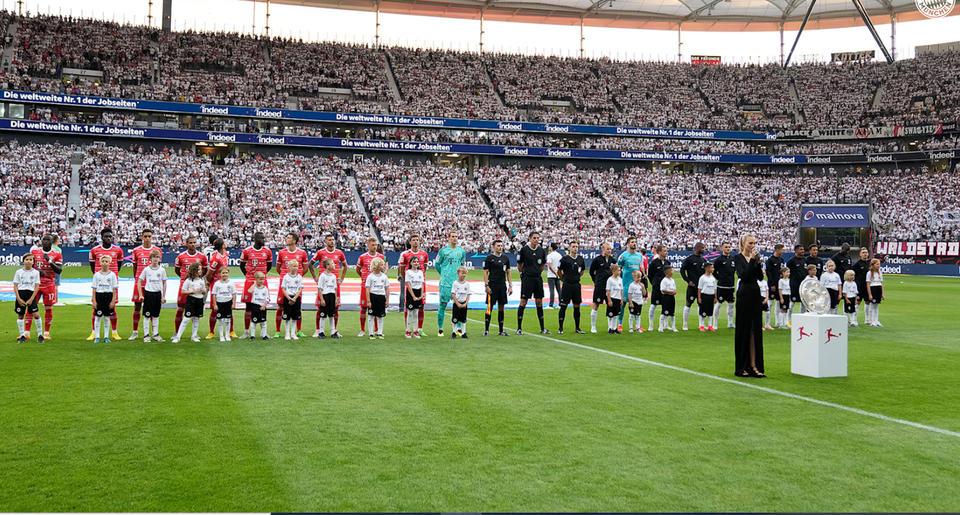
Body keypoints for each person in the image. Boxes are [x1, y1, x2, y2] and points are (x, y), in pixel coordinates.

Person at [734, 233, 765, 378]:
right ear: (743, 243)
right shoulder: (738, 258)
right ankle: (742, 366)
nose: (753, 246)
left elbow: (759, 277)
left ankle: (754, 365)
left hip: (755, 292)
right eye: (750, 243)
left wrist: (757, 264)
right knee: (744, 329)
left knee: (755, 330)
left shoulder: (755, 258)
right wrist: (752, 260)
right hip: (744, 293)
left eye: (754, 243)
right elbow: (744, 276)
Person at [87, 228, 124, 341]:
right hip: (99, 284)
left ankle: (114, 332)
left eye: (110, 237)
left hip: (111, 284)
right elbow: (93, 267)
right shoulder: (95, 250)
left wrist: (111, 276)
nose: (108, 238)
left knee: (112, 307)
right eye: (106, 236)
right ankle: (94, 332)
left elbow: (119, 265)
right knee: (96, 307)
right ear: (101, 237)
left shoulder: (118, 250)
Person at [276, 233, 314, 338]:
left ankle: (298, 330)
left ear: (294, 241)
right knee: (281, 306)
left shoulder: (302, 253)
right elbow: (278, 268)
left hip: (296, 284)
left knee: (297, 306)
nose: (286, 239)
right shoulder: (281, 253)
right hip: (284, 283)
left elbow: (305, 268)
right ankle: (278, 331)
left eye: (288, 238)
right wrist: (286, 278)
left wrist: (297, 278)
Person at [239, 232, 273, 339]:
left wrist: (261, 277)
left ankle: (263, 332)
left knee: (262, 306)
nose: (263, 240)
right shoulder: (247, 251)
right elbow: (242, 265)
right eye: (261, 238)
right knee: (248, 307)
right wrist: (249, 276)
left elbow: (269, 266)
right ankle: (246, 331)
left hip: (263, 282)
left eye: (264, 238)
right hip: (250, 281)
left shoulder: (267, 251)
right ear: (255, 239)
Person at [130, 229, 161, 340]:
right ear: (142, 237)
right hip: (140, 284)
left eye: (149, 236)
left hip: (152, 285)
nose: (147, 238)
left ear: (152, 237)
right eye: (145, 236)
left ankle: (154, 333)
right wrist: (137, 279)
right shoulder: (136, 250)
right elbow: (134, 267)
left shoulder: (157, 250)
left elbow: (159, 268)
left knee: (153, 309)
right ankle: (135, 332)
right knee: (137, 307)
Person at [31, 234, 62, 342]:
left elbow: (59, 270)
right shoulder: (35, 252)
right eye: (44, 240)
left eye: (48, 240)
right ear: (42, 241)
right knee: (30, 307)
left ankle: (46, 333)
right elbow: (28, 265)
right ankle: (26, 333)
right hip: (35, 284)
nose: (46, 242)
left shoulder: (56, 254)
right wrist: (37, 271)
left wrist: (49, 261)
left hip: (49, 284)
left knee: (48, 308)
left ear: (51, 241)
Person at [516, 231, 548, 335]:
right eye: (534, 238)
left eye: (537, 238)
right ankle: (519, 328)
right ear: (530, 239)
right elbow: (519, 264)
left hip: (537, 279)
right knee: (523, 302)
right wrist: (523, 273)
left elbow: (543, 265)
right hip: (527, 278)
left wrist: (537, 272)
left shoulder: (541, 251)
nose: (536, 240)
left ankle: (542, 328)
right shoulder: (524, 250)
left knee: (539, 302)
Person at [175, 236, 209, 336]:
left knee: (195, 311)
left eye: (194, 242)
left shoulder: (202, 257)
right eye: (190, 243)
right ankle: (176, 332)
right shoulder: (181, 256)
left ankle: (194, 334)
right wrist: (185, 279)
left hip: (197, 286)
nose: (193, 244)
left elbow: (205, 270)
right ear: (186, 244)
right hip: (185, 284)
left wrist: (198, 279)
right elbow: (177, 270)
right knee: (181, 308)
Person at [436, 231, 467, 337]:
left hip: (458, 284)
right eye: (452, 237)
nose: (455, 238)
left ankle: (458, 328)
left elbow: (462, 266)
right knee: (443, 305)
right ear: (448, 238)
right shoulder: (443, 251)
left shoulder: (461, 251)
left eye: (456, 236)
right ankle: (440, 328)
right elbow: (437, 264)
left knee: (458, 305)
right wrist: (443, 275)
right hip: (445, 283)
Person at [397, 235, 428, 334]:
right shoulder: (405, 255)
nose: (415, 242)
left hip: (420, 283)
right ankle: (408, 329)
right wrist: (406, 278)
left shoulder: (424, 254)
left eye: (417, 240)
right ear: (410, 242)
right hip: (410, 284)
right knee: (409, 306)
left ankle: (420, 329)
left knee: (421, 305)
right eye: (413, 240)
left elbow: (425, 267)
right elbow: (401, 268)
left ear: (419, 242)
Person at [356, 237, 386, 337]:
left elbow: (384, 269)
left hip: (378, 287)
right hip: (366, 286)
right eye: (372, 245)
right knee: (364, 307)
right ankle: (362, 329)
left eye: (376, 245)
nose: (374, 247)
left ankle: (377, 330)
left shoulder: (381, 257)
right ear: (368, 245)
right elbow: (358, 269)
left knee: (377, 308)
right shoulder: (362, 257)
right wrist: (364, 278)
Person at [205, 238, 234, 339]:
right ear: (222, 246)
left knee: (228, 308)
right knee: (215, 308)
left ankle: (231, 331)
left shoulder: (225, 254)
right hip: (217, 284)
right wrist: (211, 282)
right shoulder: (215, 258)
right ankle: (211, 332)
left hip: (226, 283)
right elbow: (209, 274)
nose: (226, 244)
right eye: (225, 243)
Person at [483, 240, 513, 337]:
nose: (500, 247)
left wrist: (510, 285)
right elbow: (485, 272)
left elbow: (508, 272)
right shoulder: (489, 258)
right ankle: (486, 330)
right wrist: (486, 285)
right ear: (493, 247)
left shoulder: (505, 258)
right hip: (492, 285)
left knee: (501, 307)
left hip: (502, 285)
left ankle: (501, 330)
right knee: (489, 307)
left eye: (501, 245)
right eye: (498, 246)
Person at [135, 249, 166, 342]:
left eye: (157, 257)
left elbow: (164, 283)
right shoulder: (146, 269)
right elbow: (139, 281)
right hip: (148, 294)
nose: (155, 259)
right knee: (147, 315)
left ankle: (155, 334)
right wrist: (141, 294)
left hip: (157, 294)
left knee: (156, 315)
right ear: (150, 258)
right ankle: (146, 335)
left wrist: (163, 296)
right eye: (154, 257)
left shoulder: (162, 270)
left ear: (160, 259)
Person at [172, 262, 207, 343]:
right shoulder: (188, 280)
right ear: (194, 270)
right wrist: (192, 292)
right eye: (198, 269)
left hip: (199, 300)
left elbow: (204, 292)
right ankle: (178, 336)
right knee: (186, 319)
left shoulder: (201, 280)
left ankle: (194, 335)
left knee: (196, 318)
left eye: (201, 270)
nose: (200, 271)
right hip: (191, 300)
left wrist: (203, 291)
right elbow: (183, 291)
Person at [616, 236, 645, 331]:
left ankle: (637, 325)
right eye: (632, 242)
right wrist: (619, 280)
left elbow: (639, 269)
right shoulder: (623, 256)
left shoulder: (639, 256)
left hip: (636, 284)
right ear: (628, 244)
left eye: (635, 242)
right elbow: (618, 268)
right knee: (623, 304)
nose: (634, 244)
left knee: (637, 304)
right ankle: (620, 324)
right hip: (626, 284)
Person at [557, 241, 586, 335]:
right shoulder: (565, 259)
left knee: (577, 305)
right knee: (564, 305)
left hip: (576, 285)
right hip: (567, 284)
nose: (575, 248)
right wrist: (564, 279)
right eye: (573, 246)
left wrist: (576, 277)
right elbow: (559, 271)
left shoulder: (580, 259)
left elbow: (582, 271)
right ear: (569, 248)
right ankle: (560, 327)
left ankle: (577, 327)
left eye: (577, 246)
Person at [13, 253, 41, 344]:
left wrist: (32, 298)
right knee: (21, 315)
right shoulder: (18, 272)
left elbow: (37, 286)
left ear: (33, 262)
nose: (28, 262)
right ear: (23, 261)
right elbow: (15, 286)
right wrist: (19, 298)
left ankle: (40, 335)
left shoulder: (36, 272)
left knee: (36, 314)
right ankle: (22, 335)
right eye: (26, 260)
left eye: (30, 260)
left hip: (31, 294)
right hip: (21, 294)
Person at [91, 255, 119, 343]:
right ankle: (97, 337)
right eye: (103, 261)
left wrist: (113, 300)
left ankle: (106, 336)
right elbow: (94, 288)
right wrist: (94, 301)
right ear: (100, 263)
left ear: (110, 263)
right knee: (98, 317)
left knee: (107, 318)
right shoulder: (97, 275)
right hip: (99, 296)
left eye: (106, 262)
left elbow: (114, 288)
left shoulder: (112, 275)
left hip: (109, 296)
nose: (104, 263)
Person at [590, 243, 616, 333]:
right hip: (600, 286)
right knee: (596, 305)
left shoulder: (613, 260)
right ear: (603, 249)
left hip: (610, 287)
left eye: (610, 249)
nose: (609, 251)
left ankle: (610, 327)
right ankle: (593, 326)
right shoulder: (597, 260)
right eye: (607, 249)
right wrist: (596, 281)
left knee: (610, 305)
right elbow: (591, 271)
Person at [680, 242, 707, 331]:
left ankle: (701, 324)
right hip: (692, 286)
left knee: (701, 305)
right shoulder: (689, 259)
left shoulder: (703, 260)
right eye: (702, 248)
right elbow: (682, 270)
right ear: (697, 248)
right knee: (688, 304)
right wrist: (688, 280)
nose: (704, 250)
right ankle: (684, 324)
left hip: (702, 287)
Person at [364, 257, 390, 340]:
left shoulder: (384, 277)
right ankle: (371, 333)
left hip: (381, 297)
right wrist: (368, 301)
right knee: (371, 316)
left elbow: (387, 288)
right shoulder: (370, 277)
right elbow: (367, 289)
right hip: (373, 296)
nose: (383, 266)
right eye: (382, 265)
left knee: (380, 316)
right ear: (377, 266)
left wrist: (387, 300)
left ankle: (380, 332)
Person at [713, 242, 736, 329]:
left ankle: (730, 323)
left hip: (731, 286)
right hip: (722, 286)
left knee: (731, 304)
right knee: (719, 303)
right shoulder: (719, 260)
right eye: (726, 247)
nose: (728, 249)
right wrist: (720, 278)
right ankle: (715, 323)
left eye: (729, 247)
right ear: (722, 249)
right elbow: (714, 271)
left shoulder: (733, 259)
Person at [316, 258, 341, 340]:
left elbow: (335, 288)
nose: (334, 265)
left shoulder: (333, 276)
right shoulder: (322, 276)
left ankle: (333, 331)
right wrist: (322, 299)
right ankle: (321, 332)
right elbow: (320, 288)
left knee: (332, 315)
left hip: (332, 296)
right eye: (332, 264)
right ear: (327, 266)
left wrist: (335, 299)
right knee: (323, 315)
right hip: (325, 296)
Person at [212, 266, 238, 342]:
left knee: (227, 320)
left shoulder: (231, 283)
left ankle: (227, 335)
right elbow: (214, 295)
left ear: (228, 274)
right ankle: (221, 336)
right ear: (219, 274)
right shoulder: (217, 284)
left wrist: (233, 304)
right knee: (220, 320)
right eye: (223, 273)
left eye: (226, 273)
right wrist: (215, 304)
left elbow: (234, 294)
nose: (225, 274)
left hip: (228, 303)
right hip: (220, 303)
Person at [280, 260, 304, 341]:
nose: (296, 268)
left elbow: (300, 289)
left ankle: (293, 333)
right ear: (289, 267)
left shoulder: (299, 277)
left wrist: (294, 298)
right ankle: (287, 333)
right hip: (287, 298)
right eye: (294, 266)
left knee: (294, 317)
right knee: (287, 317)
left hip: (296, 298)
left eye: (297, 266)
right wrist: (289, 298)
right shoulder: (286, 277)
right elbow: (283, 289)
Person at [647, 245, 669, 332]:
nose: (666, 252)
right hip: (657, 287)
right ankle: (651, 325)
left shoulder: (667, 263)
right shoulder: (654, 263)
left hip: (666, 288)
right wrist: (654, 283)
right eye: (664, 251)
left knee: (666, 305)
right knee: (653, 305)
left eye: (666, 251)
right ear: (659, 252)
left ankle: (665, 324)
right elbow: (650, 275)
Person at [404, 256, 425, 339]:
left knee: (416, 313)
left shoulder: (420, 272)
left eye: (417, 261)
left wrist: (421, 295)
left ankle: (415, 331)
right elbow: (408, 284)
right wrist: (413, 296)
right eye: (414, 261)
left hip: (418, 292)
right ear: (411, 263)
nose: (416, 263)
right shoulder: (408, 272)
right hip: (411, 293)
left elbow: (422, 284)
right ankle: (408, 331)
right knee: (410, 313)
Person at [247, 272, 272, 340]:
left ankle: (264, 335)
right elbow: (250, 291)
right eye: (260, 279)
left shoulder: (265, 288)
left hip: (262, 306)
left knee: (263, 321)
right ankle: (252, 336)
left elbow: (267, 298)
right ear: (256, 279)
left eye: (263, 279)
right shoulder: (254, 287)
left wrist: (264, 306)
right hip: (255, 306)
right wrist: (254, 284)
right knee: (254, 321)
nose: (261, 281)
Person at [851, 247, 871, 325]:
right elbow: (852, 273)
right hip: (860, 286)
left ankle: (867, 319)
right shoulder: (858, 264)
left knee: (868, 302)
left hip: (868, 286)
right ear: (860, 254)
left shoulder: (870, 263)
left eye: (866, 252)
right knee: (858, 302)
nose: (865, 254)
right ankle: (855, 320)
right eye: (863, 252)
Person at [450, 267, 471, 339]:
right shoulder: (455, 283)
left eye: (465, 273)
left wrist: (466, 303)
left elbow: (468, 294)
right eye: (462, 273)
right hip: (457, 303)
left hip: (464, 303)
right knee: (455, 319)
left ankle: (464, 333)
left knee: (463, 319)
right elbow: (453, 294)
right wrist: (457, 303)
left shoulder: (467, 284)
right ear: (458, 274)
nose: (464, 275)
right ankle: (454, 332)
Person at [765, 244, 785, 316]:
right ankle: (768, 321)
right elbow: (768, 273)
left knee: (778, 302)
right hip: (773, 284)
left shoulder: (781, 260)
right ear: (778, 250)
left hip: (780, 284)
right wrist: (771, 284)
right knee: (770, 302)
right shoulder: (770, 260)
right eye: (782, 250)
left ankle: (777, 322)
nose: (783, 251)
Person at [786, 244, 807, 314]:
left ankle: (802, 318)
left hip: (803, 285)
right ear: (796, 250)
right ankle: (788, 320)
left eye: (803, 249)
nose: (803, 251)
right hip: (795, 285)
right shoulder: (791, 261)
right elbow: (788, 273)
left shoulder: (805, 260)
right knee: (792, 302)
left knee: (804, 302)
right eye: (801, 249)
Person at [697, 263, 718, 332]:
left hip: (711, 296)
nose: (713, 269)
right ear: (707, 269)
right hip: (704, 295)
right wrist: (699, 298)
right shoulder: (702, 278)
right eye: (712, 268)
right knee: (703, 311)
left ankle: (710, 326)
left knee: (710, 311)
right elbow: (699, 288)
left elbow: (715, 289)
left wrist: (715, 298)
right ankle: (701, 325)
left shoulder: (713, 278)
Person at [605, 264, 623, 335]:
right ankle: (610, 328)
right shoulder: (610, 280)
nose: (619, 272)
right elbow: (608, 290)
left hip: (618, 299)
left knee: (616, 314)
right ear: (613, 271)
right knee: (610, 314)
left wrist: (621, 299)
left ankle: (615, 328)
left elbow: (621, 290)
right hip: (612, 298)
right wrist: (609, 300)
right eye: (618, 270)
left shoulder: (620, 280)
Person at [659, 266, 678, 333]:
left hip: (671, 297)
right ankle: (661, 327)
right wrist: (671, 291)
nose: (672, 272)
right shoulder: (664, 280)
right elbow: (663, 289)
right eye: (671, 271)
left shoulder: (672, 280)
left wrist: (674, 291)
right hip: (666, 297)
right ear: (668, 272)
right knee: (664, 312)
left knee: (672, 313)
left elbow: (674, 287)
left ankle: (673, 326)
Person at [866, 259, 885, 327]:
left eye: (879, 264)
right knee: (872, 305)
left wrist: (882, 294)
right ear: (873, 265)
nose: (878, 266)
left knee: (876, 306)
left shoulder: (880, 273)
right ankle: (871, 320)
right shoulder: (869, 273)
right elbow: (868, 284)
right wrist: (870, 294)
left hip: (878, 288)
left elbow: (881, 283)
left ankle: (876, 320)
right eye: (877, 264)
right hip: (873, 288)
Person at [545, 242, 562, 309]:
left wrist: (555, 272)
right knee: (559, 290)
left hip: (551, 275)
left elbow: (549, 265)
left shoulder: (550, 255)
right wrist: (558, 273)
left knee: (552, 290)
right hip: (557, 274)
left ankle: (551, 304)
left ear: (551, 247)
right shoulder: (559, 255)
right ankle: (560, 304)